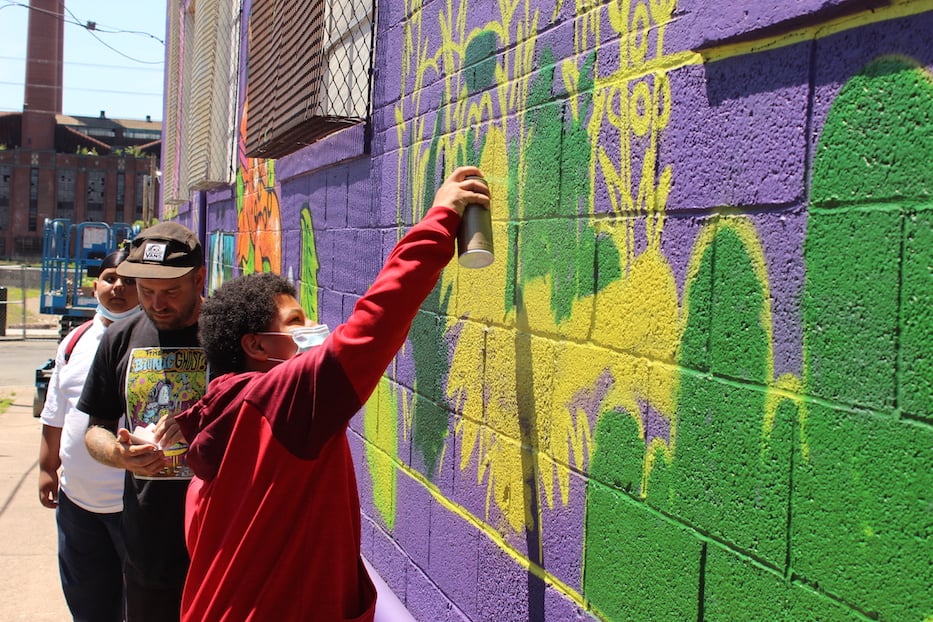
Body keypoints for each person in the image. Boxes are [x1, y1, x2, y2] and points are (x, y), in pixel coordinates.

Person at [172, 166, 491, 621]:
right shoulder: (281, 400)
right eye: (295, 322)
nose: (312, 329)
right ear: (257, 346)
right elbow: (374, 324)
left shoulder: (216, 433)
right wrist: (440, 219)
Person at [78, 221, 208, 622]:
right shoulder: (120, 338)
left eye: (171, 291)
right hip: (148, 545)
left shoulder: (230, 334)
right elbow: (95, 428)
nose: (157, 303)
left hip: (218, 540)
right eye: (146, 292)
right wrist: (119, 455)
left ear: (199, 278)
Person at [38, 247, 141, 622]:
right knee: (88, 602)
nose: (118, 287)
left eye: (129, 281)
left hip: (131, 507)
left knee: (137, 605)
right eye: (111, 278)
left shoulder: (153, 341)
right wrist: (47, 468)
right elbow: (56, 412)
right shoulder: (74, 340)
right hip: (77, 504)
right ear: (95, 284)